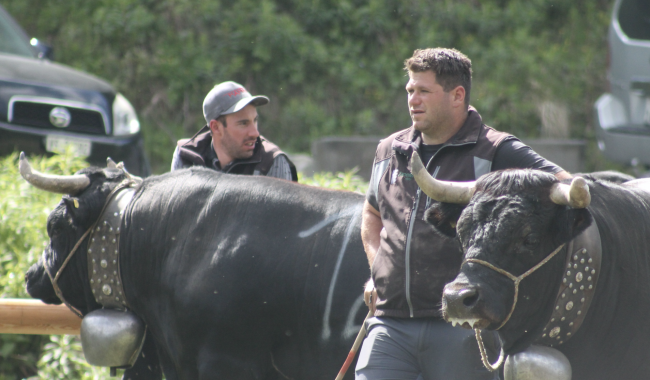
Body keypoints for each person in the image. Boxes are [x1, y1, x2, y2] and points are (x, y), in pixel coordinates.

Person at [356, 48, 571, 380]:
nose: (413, 100)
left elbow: (564, 186)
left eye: (424, 91)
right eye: (410, 90)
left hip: (463, 326)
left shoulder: (498, 150)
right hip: (390, 323)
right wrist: (377, 272)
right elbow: (371, 215)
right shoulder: (390, 150)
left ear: (457, 95)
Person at [171, 81, 297, 181]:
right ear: (215, 127)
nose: (255, 133)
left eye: (255, 120)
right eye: (243, 123)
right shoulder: (186, 156)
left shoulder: (272, 162)